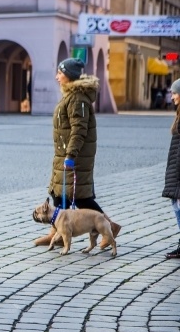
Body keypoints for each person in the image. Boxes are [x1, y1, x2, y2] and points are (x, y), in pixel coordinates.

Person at [34, 58, 122, 246]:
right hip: (64, 154)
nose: (57, 77)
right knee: (59, 194)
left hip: (75, 157)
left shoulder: (78, 99)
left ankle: (110, 228)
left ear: (69, 76)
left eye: (60, 73)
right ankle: (57, 233)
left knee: (82, 198)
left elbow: (79, 129)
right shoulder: (70, 96)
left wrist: (71, 155)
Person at [162, 79, 180, 258]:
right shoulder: (178, 114)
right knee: (176, 206)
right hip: (175, 169)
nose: (172, 96)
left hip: (178, 171)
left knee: (178, 207)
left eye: (175, 93)